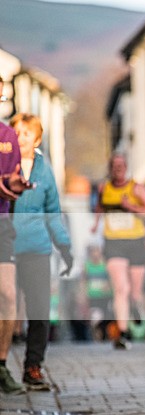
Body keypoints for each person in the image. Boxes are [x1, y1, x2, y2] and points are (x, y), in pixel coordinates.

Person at [10, 113, 72, 391]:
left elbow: (53, 213)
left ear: (37, 139)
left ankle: (33, 366)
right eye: (16, 132)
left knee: (39, 309)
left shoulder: (45, 170)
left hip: (36, 247)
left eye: (26, 133)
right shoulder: (4, 164)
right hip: (5, 245)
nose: (20, 137)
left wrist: (65, 247)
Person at [91, 153, 145, 350]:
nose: (118, 169)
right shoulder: (104, 188)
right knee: (121, 288)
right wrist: (95, 224)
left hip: (136, 242)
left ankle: (135, 306)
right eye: (114, 165)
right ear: (110, 168)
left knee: (135, 293)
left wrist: (130, 207)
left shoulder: (137, 188)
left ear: (126, 167)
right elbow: (99, 207)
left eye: (121, 165)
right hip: (113, 242)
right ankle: (123, 333)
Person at [0, 77, 34, 394]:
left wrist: (15, 185)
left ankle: (1, 365)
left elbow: (13, 178)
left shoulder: (7, 136)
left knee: (9, 295)